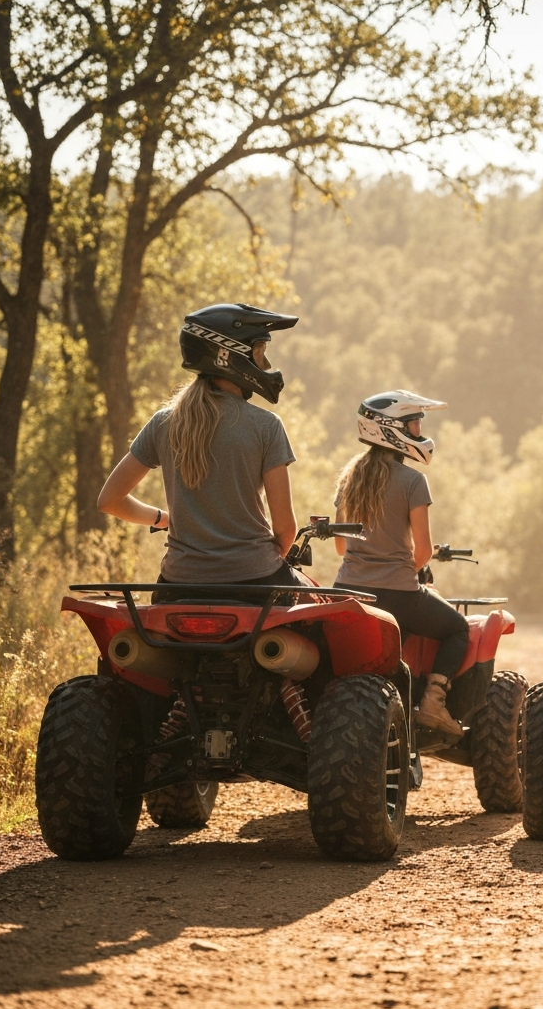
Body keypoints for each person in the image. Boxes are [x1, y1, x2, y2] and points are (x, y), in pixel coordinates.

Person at [97, 303, 301, 602]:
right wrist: (256, 562)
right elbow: (285, 530)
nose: (266, 363)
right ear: (229, 355)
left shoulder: (163, 423)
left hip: (178, 583)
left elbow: (109, 501)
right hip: (255, 582)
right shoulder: (266, 426)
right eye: (259, 351)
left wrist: (163, 519)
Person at [332, 390, 469, 736]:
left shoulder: (349, 477)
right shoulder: (412, 481)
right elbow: (422, 551)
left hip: (347, 592)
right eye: (414, 423)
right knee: (458, 629)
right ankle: (434, 703)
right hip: (397, 595)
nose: (419, 432)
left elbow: (338, 546)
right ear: (390, 429)